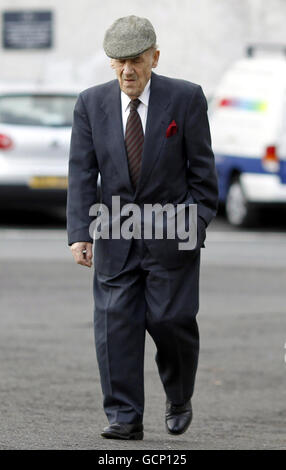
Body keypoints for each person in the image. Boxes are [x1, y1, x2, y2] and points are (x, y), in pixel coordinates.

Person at [67, 15, 218, 440]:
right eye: (117, 62)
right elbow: (82, 171)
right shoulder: (90, 103)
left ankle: (179, 394)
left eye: (135, 60)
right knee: (114, 324)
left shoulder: (186, 99)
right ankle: (123, 417)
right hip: (114, 234)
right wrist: (80, 232)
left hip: (173, 235)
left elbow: (203, 176)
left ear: (154, 57)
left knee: (172, 321)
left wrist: (196, 224)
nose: (127, 71)